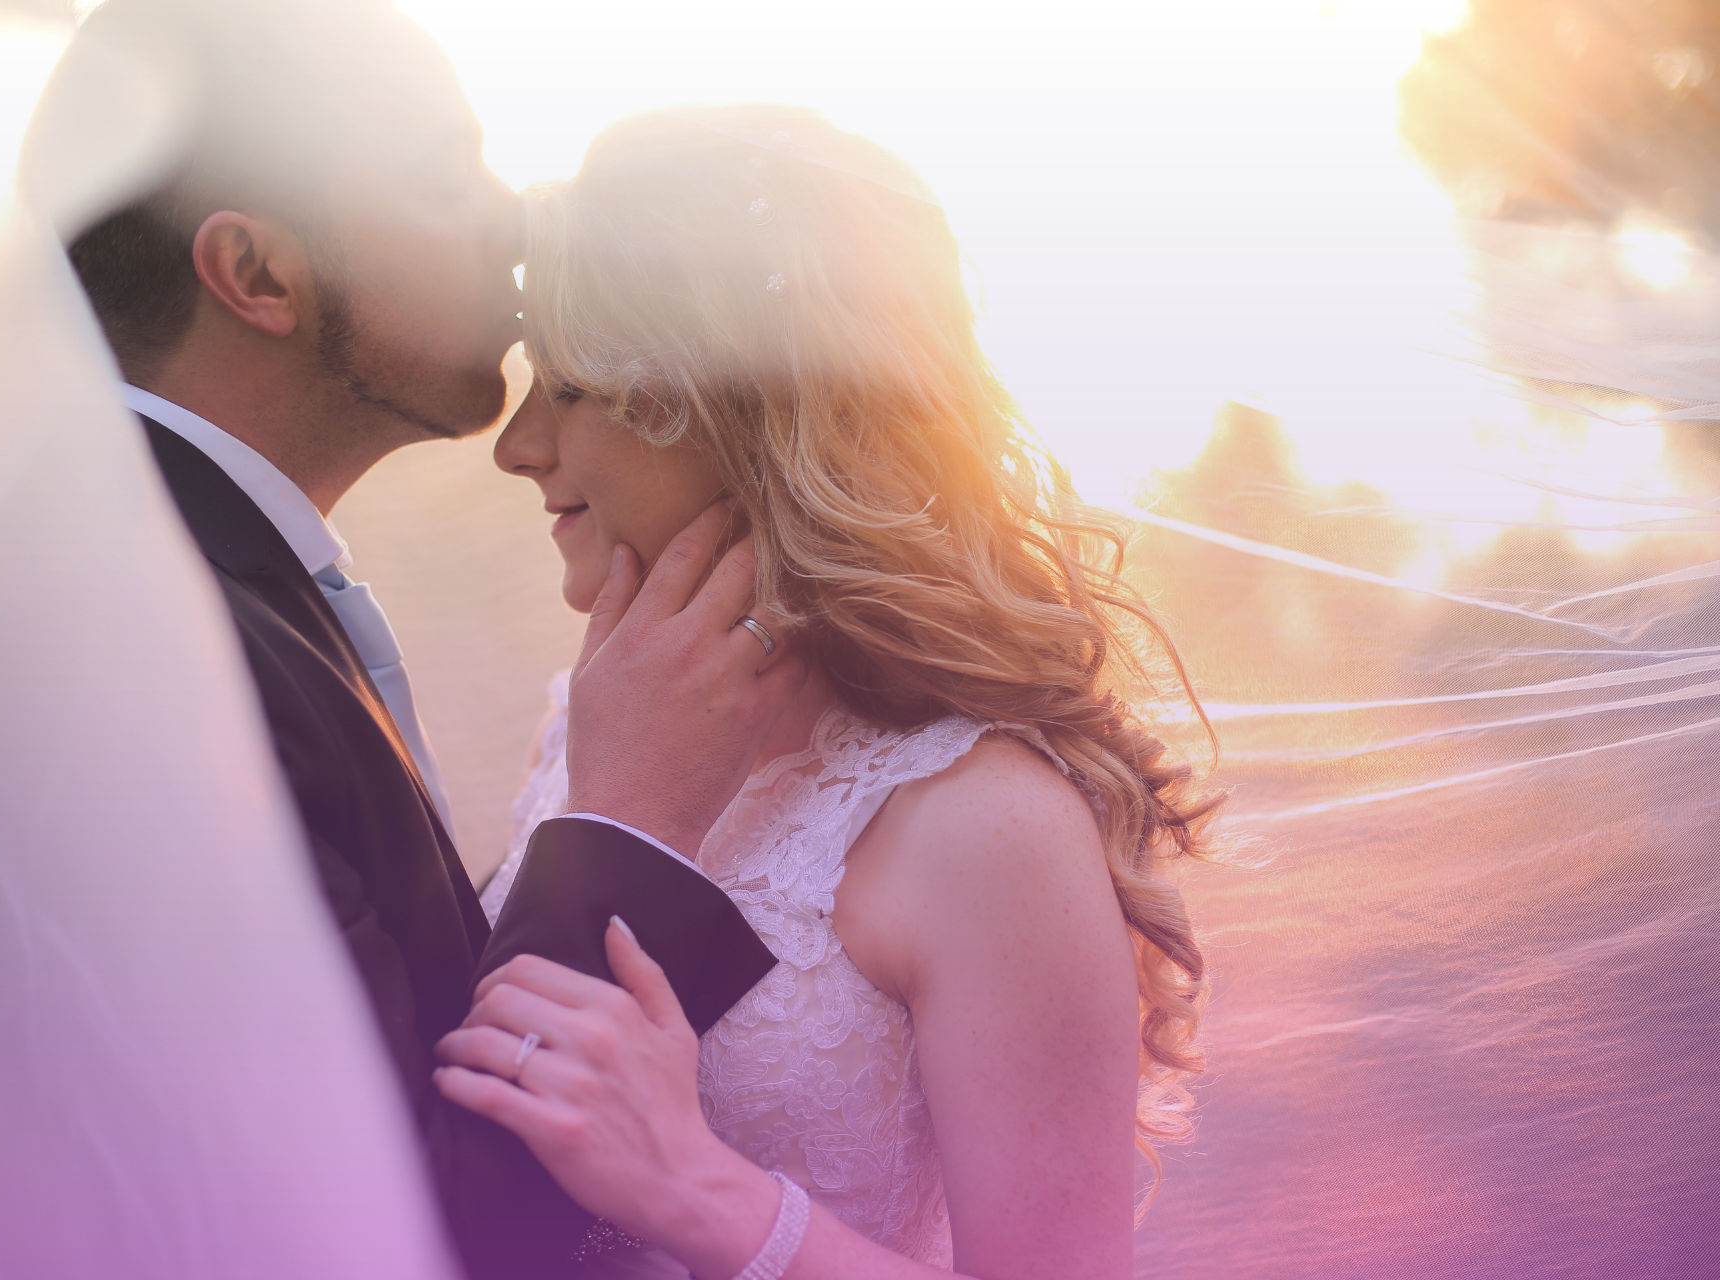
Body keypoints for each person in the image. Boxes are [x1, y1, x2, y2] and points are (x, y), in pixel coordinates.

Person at [60, 5, 800, 1277]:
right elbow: (419, 1228)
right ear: (258, 276)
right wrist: (624, 824)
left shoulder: (180, 572)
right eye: (443, 175)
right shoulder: (153, 657)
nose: (513, 217)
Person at [439, 106, 1224, 1280]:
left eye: (569, 384)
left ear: (739, 407)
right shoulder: (595, 715)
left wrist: (704, 1192)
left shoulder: (986, 824)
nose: (518, 443)